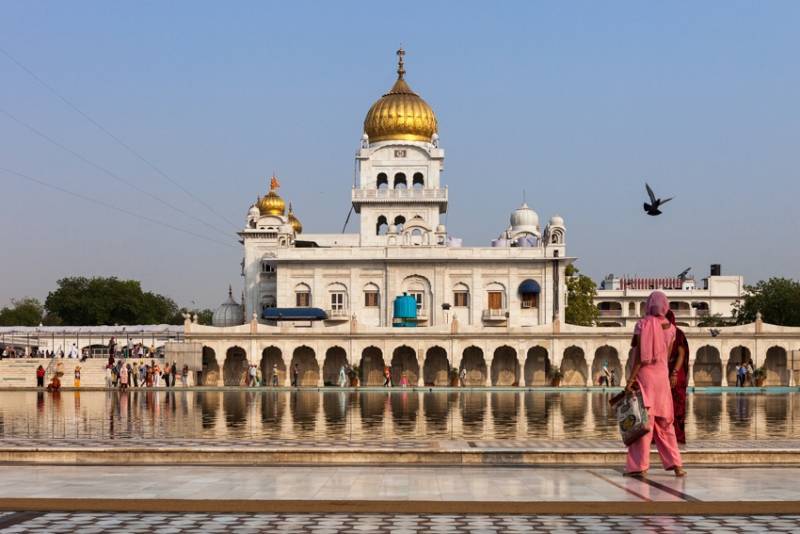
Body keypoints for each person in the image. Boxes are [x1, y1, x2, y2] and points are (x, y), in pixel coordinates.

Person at [625, 291, 685, 477]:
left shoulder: (642, 324)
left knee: (643, 424)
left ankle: (640, 467)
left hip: (645, 378)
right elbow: (666, 356)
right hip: (662, 378)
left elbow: (639, 355)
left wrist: (630, 379)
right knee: (665, 425)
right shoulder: (672, 328)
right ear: (665, 306)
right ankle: (677, 466)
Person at [666, 310, 689, 444]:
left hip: (675, 370)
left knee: (677, 405)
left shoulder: (677, 333)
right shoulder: (659, 332)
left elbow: (681, 354)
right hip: (663, 369)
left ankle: (677, 435)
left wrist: (674, 372)